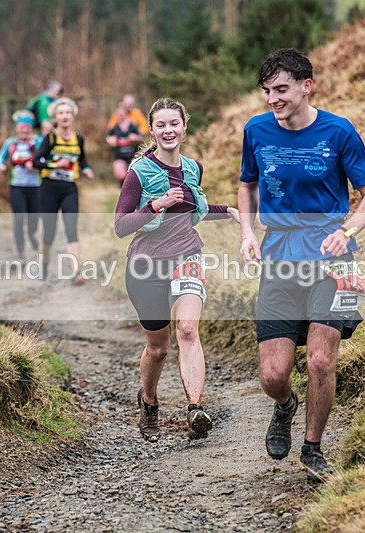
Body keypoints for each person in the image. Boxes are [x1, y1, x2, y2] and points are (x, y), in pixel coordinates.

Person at [238, 48, 365, 483]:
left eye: (281, 89)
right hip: (280, 256)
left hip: (333, 259)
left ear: (307, 86)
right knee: (273, 374)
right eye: (267, 91)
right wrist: (247, 233)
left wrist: (348, 231)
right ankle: (285, 405)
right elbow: (247, 186)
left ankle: (313, 448)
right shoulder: (256, 130)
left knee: (321, 361)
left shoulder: (338, 131)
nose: (272, 99)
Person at [114, 97, 239, 441]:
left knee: (187, 330)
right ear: (152, 130)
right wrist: (157, 204)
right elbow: (121, 226)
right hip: (146, 265)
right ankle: (149, 401)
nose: (168, 130)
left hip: (187, 256)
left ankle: (195, 409)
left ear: (184, 127)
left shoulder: (193, 167)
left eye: (174, 123)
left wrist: (228, 211)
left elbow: (192, 209)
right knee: (159, 348)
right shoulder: (139, 172)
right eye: (161, 125)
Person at [30, 98, 95, 284]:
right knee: (49, 233)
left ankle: (75, 272)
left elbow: (82, 159)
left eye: (68, 113)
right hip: (48, 189)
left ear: (73, 116)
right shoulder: (50, 139)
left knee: (71, 229)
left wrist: (86, 169)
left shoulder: (78, 139)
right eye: (61, 113)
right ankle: (44, 262)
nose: (65, 116)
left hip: (69, 189)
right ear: (55, 117)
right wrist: (55, 164)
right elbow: (36, 162)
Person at [0, 110, 44, 260]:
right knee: (18, 219)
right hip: (17, 186)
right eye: (22, 127)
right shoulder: (11, 143)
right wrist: (0, 166)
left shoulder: (38, 142)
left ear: (32, 128)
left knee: (33, 219)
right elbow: (0, 157)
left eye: (27, 127)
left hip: (35, 186)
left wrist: (36, 166)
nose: (25, 130)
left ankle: (32, 235)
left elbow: (46, 159)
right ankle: (20, 253)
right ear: (17, 128)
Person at [106, 105, 143, 187]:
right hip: (119, 154)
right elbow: (108, 137)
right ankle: (124, 187)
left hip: (133, 155)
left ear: (126, 114)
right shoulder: (115, 127)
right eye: (119, 115)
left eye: (122, 114)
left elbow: (140, 137)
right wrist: (111, 140)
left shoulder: (133, 125)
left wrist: (135, 138)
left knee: (133, 177)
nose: (121, 116)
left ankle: (129, 188)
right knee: (119, 175)